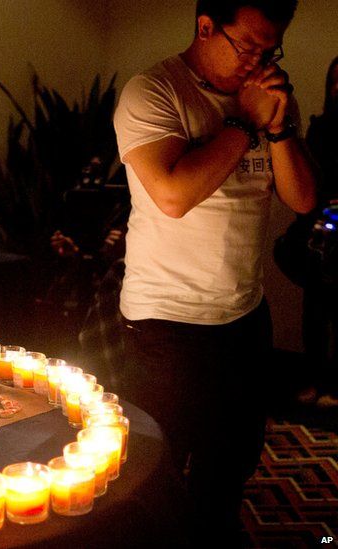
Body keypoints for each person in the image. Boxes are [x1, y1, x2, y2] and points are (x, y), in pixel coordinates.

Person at [112, 0, 316, 545]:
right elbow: (174, 195)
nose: (258, 61)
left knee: (231, 462)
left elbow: (302, 198)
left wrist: (279, 126)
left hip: (245, 313)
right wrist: (247, 121)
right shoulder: (153, 92)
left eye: (270, 49)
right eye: (247, 46)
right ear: (206, 27)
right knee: (158, 466)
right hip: (167, 321)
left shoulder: (267, 95)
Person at [298, 56, 338, 408]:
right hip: (320, 231)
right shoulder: (320, 126)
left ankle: (334, 386)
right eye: (335, 81)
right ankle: (314, 379)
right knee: (314, 310)